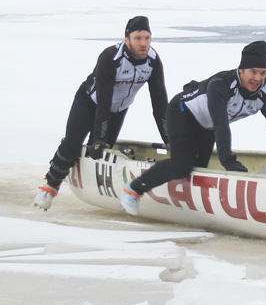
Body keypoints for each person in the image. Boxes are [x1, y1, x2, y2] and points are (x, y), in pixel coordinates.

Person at [119, 40, 266, 216]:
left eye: (262, 73)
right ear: (241, 70)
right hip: (183, 112)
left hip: (207, 126)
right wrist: (228, 161)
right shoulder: (221, 85)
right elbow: (221, 125)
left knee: (198, 170)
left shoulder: (265, 95)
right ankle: (134, 189)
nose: (258, 79)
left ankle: (165, 174)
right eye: (253, 72)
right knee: (182, 165)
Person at [33, 16, 169, 211]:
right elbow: (104, 102)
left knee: (101, 152)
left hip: (118, 109)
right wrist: (99, 137)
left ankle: (92, 183)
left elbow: (160, 105)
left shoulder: (153, 61)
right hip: (90, 102)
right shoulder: (111, 58)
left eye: (147, 38)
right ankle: (49, 187)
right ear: (127, 39)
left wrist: (170, 139)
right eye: (138, 38)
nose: (143, 43)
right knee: (72, 144)